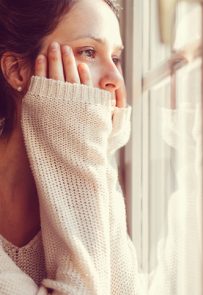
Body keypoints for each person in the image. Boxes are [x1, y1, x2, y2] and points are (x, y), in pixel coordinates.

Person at [0, 0, 143, 293]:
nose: (115, 80)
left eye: (115, 58)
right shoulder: (80, 165)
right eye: (89, 52)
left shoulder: (91, 171)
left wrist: (99, 155)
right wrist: (83, 152)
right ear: (17, 71)